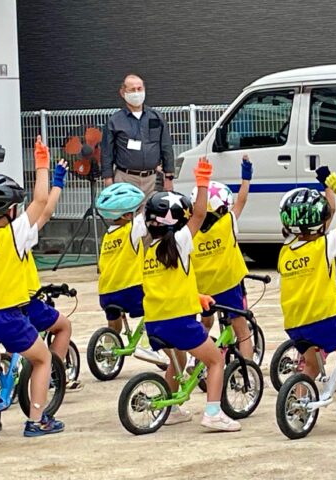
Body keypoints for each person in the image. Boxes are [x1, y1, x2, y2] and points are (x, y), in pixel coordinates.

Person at [0, 136, 64, 436]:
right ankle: (37, 420)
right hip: (7, 315)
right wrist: (42, 164)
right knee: (42, 358)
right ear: (9, 210)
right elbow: (42, 203)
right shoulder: (14, 235)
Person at [142, 158, 241, 432]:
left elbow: (168, 284)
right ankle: (213, 412)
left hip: (155, 321)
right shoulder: (179, 242)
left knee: (180, 359)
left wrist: (196, 296)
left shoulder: (148, 251)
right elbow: (199, 214)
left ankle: (171, 407)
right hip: (179, 322)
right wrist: (202, 181)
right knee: (215, 360)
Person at [278, 166, 336, 423]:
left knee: (310, 364)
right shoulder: (322, 246)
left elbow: (325, 221)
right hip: (323, 319)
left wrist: (325, 190)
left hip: (295, 323)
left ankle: (298, 408)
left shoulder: (285, 251)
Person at [23, 159, 83, 391]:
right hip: (26, 301)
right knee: (63, 326)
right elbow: (46, 211)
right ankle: (53, 376)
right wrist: (57, 180)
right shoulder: (19, 237)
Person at [95, 182, 166, 365]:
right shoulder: (131, 229)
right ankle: (147, 345)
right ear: (128, 214)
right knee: (155, 308)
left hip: (106, 292)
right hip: (131, 289)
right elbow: (146, 215)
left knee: (114, 324)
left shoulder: (107, 237)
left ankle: (109, 354)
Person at [191, 156, 253, 360]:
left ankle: (195, 359)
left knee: (205, 324)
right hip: (228, 286)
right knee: (243, 331)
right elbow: (242, 199)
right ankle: (249, 372)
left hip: (202, 289)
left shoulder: (189, 231)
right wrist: (246, 175)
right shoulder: (228, 222)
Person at [102, 73, 176, 196]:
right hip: (125, 179)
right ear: (122, 92)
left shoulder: (156, 117)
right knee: (125, 214)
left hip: (153, 179)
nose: (136, 93)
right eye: (132, 90)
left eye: (139, 89)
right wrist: (108, 179)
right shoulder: (114, 121)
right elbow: (107, 152)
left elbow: (166, 146)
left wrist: (169, 176)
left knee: (151, 214)